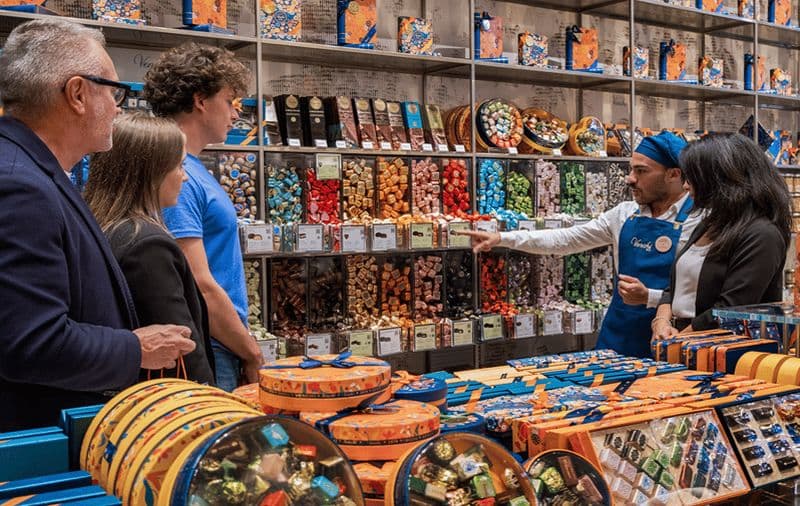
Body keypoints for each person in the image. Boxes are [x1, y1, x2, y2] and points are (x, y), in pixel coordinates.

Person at [0, 19, 195, 430]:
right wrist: (136, 348)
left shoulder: (36, 171)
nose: (118, 107)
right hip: (43, 433)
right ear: (77, 94)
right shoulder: (20, 185)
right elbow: (30, 342)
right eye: (113, 91)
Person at [459, 132, 703, 357]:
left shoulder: (699, 221)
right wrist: (504, 238)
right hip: (617, 335)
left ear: (674, 174)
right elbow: (567, 239)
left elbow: (704, 297)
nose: (630, 179)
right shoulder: (624, 214)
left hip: (670, 338)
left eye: (641, 171)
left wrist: (650, 297)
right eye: (631, 169)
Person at [143, 43, 263, 391]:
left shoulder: (191, 169)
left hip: (223, 342)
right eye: (229, 101)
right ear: (200, 101)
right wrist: (252, 352)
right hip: (213, 346)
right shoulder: (176, 175)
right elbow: (199, 284)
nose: (235, 114)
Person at [84, 113, 215, 385]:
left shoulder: (102, 226)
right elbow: (180, 346)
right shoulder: (148, 246)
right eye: (179, 166)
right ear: (153, 173)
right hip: (166, 398)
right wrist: (209, 400)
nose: (185, 178)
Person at [652, 133, 792, 339]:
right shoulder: (710, 223)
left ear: (719, 179)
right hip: (685, 340)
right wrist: (661, 322)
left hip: (721, 347)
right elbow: (674, 286)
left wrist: (677, 341)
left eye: (693, 178)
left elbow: (731, 309)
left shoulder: (763, 235)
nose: (686, 186)